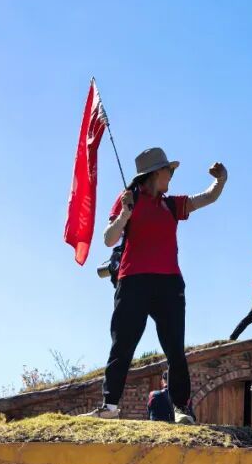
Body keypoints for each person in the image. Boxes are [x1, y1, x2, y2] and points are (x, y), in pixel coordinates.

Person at [86, 147, 227, 422]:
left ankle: (181, 408)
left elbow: (208, 197)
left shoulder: (171, 204)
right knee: (122, 345)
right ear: (154, 173)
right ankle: (110, 406)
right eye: (168, 171)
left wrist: (221, 180)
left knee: (175, 348)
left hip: (169, 283)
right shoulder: (128, 199)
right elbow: (108, 239)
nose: (171, 175)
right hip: (132, 281)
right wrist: (124, 214)